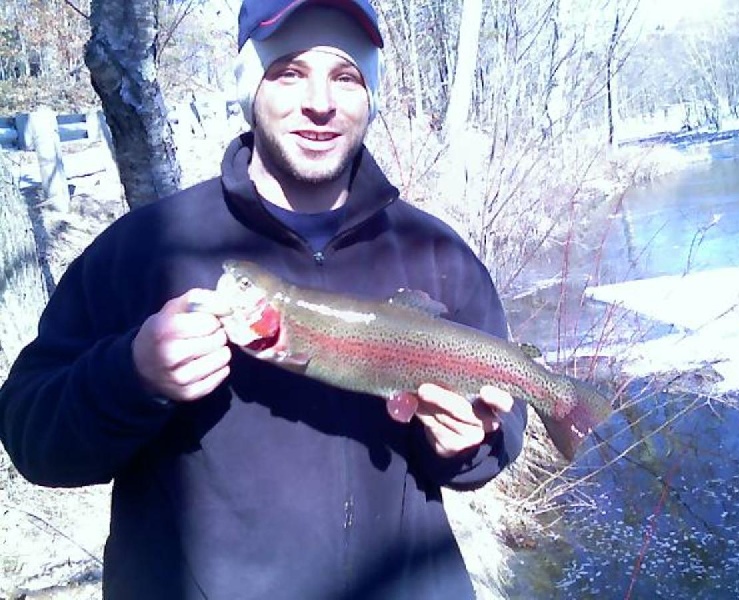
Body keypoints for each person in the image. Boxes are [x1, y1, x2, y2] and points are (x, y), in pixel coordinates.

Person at [0, 0, 527, 598]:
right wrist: (131, 377)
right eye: (289, 71)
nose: (321, 103)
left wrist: (467, 447)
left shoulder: (436, 250)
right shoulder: (147, 247)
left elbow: (502, 423)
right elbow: (30, 435)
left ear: (369, 95)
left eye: (346, 76)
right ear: (251, 86)